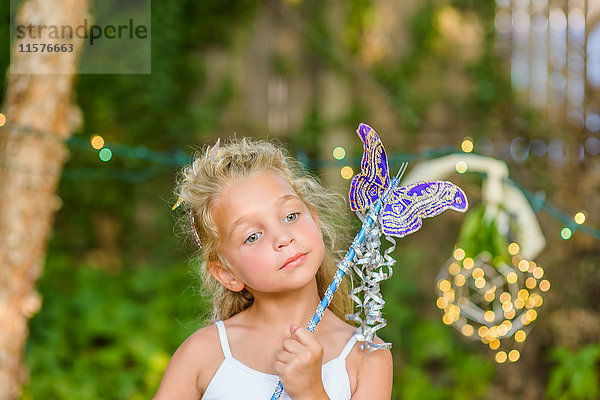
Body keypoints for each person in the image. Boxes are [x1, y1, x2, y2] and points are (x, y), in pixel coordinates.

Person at [154, 138, 393, 400]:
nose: (283, 238)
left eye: (291, 216)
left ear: (314, 219)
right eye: (252, 236)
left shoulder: (368, 356)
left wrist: (311, 392)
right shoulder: (202, 354)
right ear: (226, 274)